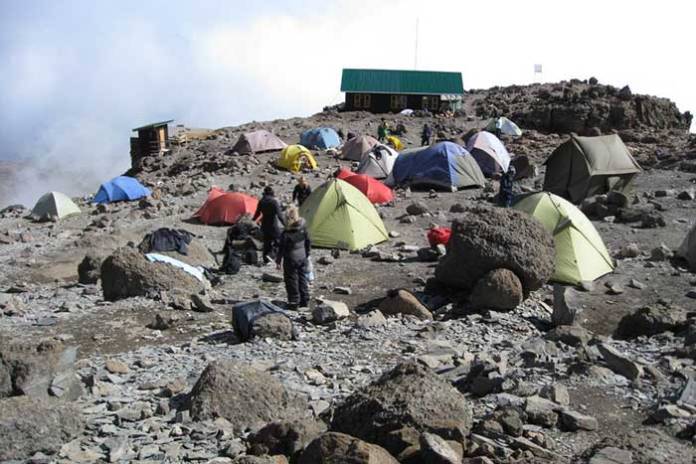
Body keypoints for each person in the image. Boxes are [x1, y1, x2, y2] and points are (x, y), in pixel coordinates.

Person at [276, 207, 311, 310]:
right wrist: (307, 254)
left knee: (291, 280)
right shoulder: (303, 228)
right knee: (302, 278)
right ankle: (304, 300)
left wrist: (278, 261)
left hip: (291, 259)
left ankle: (294, 301)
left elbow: (281, 249)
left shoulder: (286, 233)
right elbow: (308, 242)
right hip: (302, 257)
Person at [253, 186, 285, 263]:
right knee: (279, 241)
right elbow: (279, 215)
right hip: (273, 225)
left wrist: (253, 221)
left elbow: (257, 213)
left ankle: (265, 259)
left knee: (266, 243)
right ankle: (271, 255)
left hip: (264, 225)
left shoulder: (261, 201)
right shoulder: (274, 202)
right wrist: (286, 224)